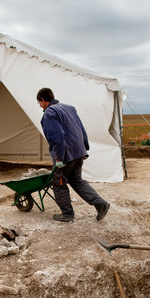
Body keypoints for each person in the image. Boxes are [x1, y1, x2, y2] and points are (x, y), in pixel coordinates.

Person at [37, 87, 110, 223]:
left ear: (42, 99)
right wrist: (85, 147)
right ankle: (100, 204)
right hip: (78, 151)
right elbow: (80, 128)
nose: (40, 106)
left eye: (39, 103)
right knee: (76, 180)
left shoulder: (49, 113)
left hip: (65, 155)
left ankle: (67, 214)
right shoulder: (69, 108)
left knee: (59, 183)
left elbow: (57, 137)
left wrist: (59, 158)